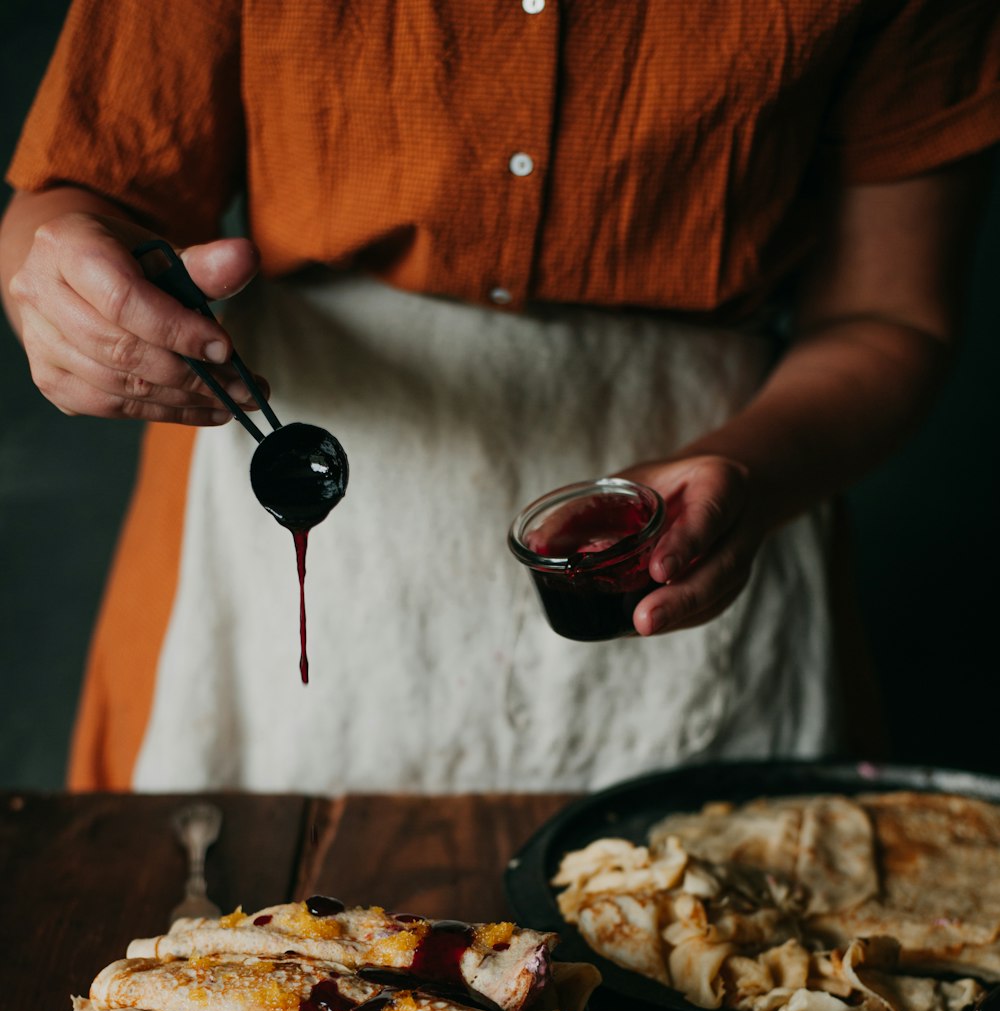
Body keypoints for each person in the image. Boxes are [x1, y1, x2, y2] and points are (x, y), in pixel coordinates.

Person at [2, 2, 998, 794]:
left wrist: (757, 472)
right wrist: (60, 288)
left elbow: (888, 314)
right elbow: (76, 197)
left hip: (700, 533)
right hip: (283, 568)